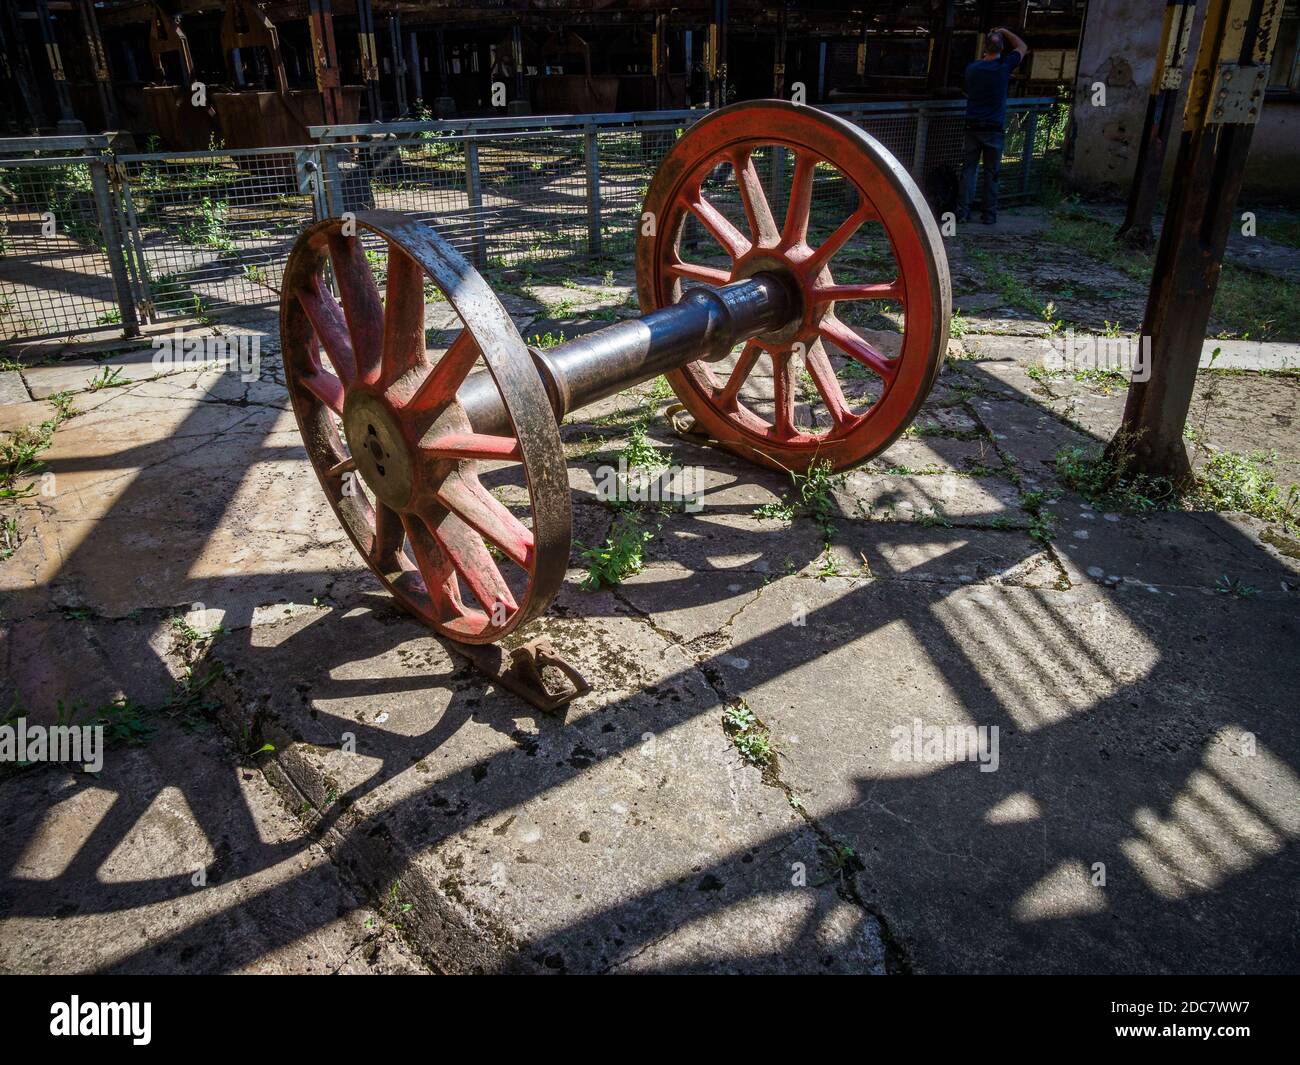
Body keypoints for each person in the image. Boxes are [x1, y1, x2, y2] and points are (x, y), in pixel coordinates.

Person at [958, 26, 1028, 225]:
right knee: (992, 173)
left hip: (972, 126)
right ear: (1002, 48)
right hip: (993, 128)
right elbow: (1022, 46)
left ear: (984, 48)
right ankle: (988, 215)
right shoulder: (1004, 67)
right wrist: (1005, 31)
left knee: (969, 171)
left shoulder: (972, 69)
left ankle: (963, 212)